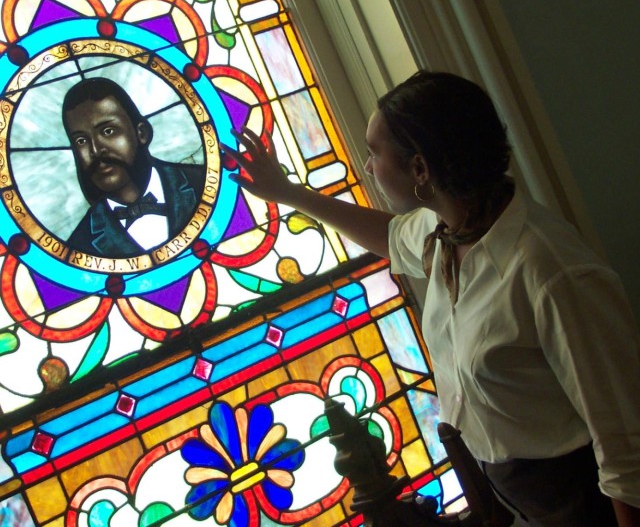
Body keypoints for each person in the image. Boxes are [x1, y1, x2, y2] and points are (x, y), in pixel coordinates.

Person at [221, 70, 640, 527]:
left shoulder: (551, 273)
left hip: (579, 500)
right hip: (513, 493)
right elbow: (392, 236)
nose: (367, 167)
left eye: (373, 153)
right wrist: (287, 193)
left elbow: (625, 447)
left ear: (420, 169)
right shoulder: (447, 229)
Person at [62, 77, 205, 257]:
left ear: (142, 133)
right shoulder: (80, 245)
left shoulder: (204, 184)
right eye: (81, 141)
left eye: (108, 131)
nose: (96, 151)